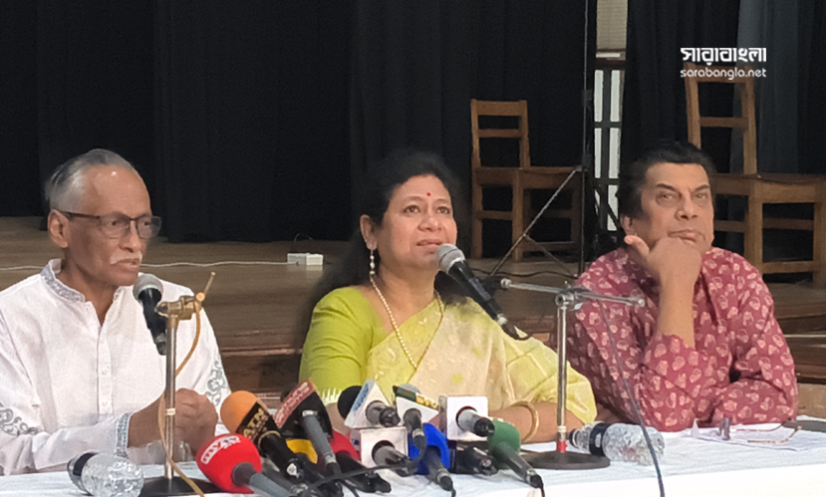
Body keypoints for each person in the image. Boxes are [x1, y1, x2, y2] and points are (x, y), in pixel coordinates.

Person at [298, 149, 596, 442]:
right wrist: (429, 434)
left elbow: (573, 403)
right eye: (412, 210)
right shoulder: (343, 311)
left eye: (443, 210)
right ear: (370, 232)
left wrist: (472, 425)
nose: (433, 223)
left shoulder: (471, 317)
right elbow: (333, 421)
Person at [0, 149, 231, 475]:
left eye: (144, 224)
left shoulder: (177, 306)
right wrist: (130, 431)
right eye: (115, 224)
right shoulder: (12, 316)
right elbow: (9, 456)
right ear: (60, 229)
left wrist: (203, 436)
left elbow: (222, 433)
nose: (135, 243)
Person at [567, 141, 798, 431]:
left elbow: (779, 395)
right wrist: (676, 284)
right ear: (630, 222)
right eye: (667, 197)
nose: (689, 211)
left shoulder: (735, 274)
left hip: (721, 451)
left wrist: (703, 412)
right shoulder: (596, 294)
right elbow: (666, 418)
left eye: (700, 197)